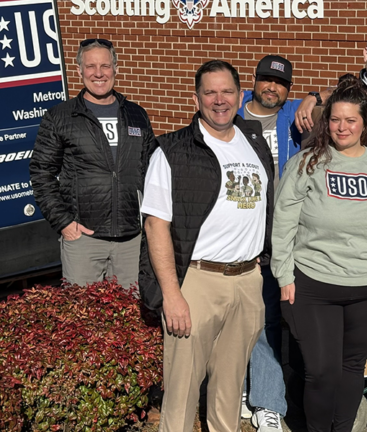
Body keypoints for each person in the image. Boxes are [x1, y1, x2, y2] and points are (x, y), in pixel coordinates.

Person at [271, 76, 367, 432]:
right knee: (321, 371)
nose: (342, 127)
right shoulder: (308, 162)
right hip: (313, 285)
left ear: (364, 125)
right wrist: (284, 274)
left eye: (351, 120)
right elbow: (283, 219)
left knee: (352, 366)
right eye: (335, 119)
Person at [139, 60, 274, 432]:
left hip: (247, 279)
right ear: (196, 97)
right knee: (182, 391)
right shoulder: (171, 150)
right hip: (198, 281)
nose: (219, 100)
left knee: (229, 390)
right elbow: (155, 225)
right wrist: (172, 294)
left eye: (227, 91)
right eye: (210, 92)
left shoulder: (254, 142)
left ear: (240, 95)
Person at [29, 38, 155, 288]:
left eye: (105, 66)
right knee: (82, 321)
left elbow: (152, 171)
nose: (99, 73)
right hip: (83, 239)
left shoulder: (136, 114)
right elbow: (41, 173)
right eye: (91, 66)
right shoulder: (61, 117)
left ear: (116, 68)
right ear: (79, 71)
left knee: (131, 320)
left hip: (131, 240)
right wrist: (64, 223)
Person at [236, 54, 304, 430]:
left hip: (276, 239)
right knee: (234, 319)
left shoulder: (292, 114)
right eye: (266, 80)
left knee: (268, 319)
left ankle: (266, 401)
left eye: (279, 83)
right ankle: (245, 387)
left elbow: (338, 95)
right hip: (235, 236)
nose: (271, 88)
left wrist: (312, 96)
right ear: (254, 81)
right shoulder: (231, 111)